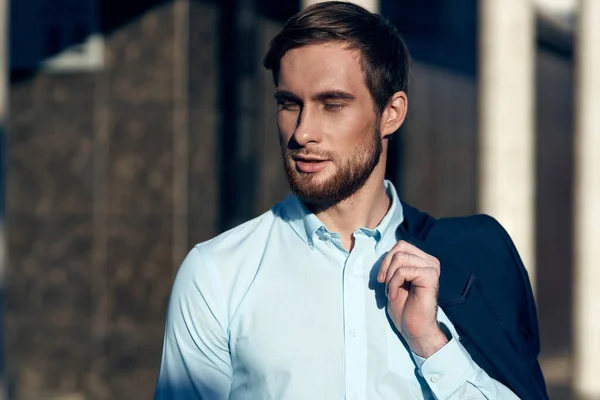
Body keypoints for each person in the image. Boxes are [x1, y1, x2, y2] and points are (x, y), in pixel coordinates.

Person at [154, 2, 548, 399]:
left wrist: (432, 345)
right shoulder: (217, 273)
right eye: (290, 103)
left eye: (333, 104)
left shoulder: (468, 262)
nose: (303, 132)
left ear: (391, 113)